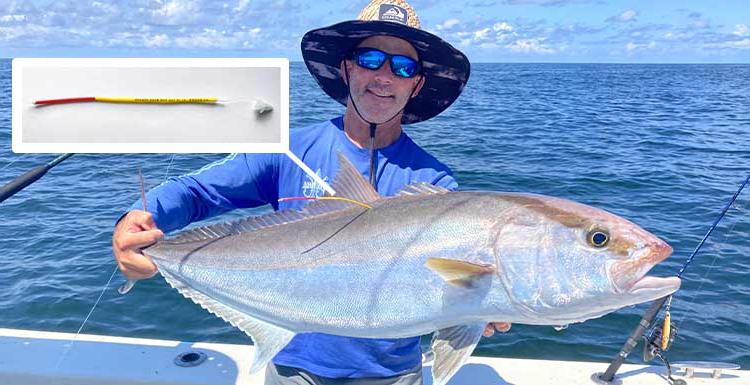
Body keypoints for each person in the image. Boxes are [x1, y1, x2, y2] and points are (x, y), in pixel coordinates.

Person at [112, 1, 510, 384]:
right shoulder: (291, 151)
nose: (384, 76)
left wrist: (481, 303)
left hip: (391, 373)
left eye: (403, 67)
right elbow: (196, 192)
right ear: (347, 68)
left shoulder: (435, 182)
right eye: (371, 59)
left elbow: (450, 282)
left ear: (416, 84)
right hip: (292, 367)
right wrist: (138, 220)